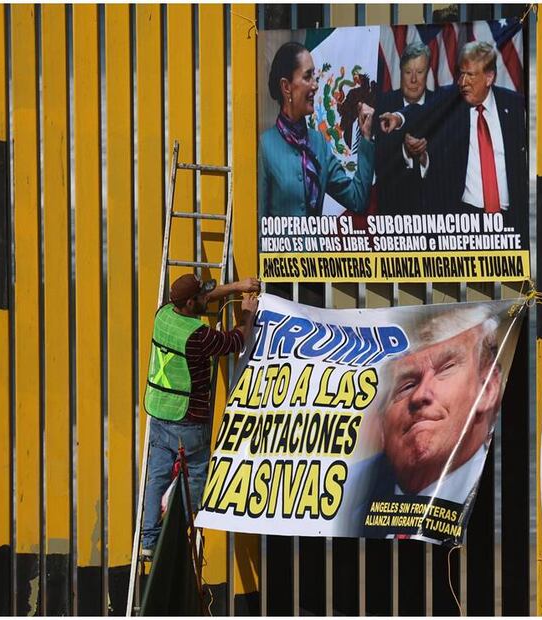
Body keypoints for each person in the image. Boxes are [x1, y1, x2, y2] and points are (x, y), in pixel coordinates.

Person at [140, 273, 261, 555]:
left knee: (156, 476)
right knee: (195, 475)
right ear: (190, 302)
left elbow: (205, 296)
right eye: (201, 297)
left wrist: (237, 287)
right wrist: (247, 315)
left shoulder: (164, 314)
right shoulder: (198, 336)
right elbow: (235, 342)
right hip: (188, 419)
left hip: (160, 411)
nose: (207, 298)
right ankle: (174, 536)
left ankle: (148, 540)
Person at [354, 306, 503, 525]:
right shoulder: (347, 499)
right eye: (406, 385)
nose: (420, 395)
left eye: (445, 369)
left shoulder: (509, 498)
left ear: (487, 388)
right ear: (381, 421)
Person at [379, 41, 528, 216]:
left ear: (489, 77)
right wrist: (398, 118)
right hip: (466, 217)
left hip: (509, 218)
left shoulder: (515, 105)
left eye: (470, 75)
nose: (463, 82)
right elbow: (423, 109)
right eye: (462, 74)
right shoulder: (454, 99)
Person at [259, 41, 375, 217]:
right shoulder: (264, 146)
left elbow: (357, 199)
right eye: (307, 77)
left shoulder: (318, 142)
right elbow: (258, 227)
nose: (315, 85)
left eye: (314, 76)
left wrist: (365, 137)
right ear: (286, 86)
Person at [374, 41, 439, 214]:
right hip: (391, 212)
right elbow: (378, 160)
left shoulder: (440, 105)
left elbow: (450, 167)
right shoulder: (382, 106)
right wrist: (406, 152)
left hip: (433, 214)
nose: (413, 80)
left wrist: (424, 158)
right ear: (400, 73)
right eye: (408, 72)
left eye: (419, 72)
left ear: (428, 73)